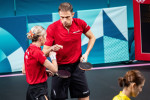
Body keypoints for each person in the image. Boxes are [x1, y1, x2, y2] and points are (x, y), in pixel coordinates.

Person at [43, 2, 96, 100]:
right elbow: (44, 52)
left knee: (84, 96)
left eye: (67, 17)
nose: (64, 20)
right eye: (62, 17)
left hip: (77, 66)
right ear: (59, 15)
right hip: (59, 68)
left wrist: (86, 53)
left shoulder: (80, 23)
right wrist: (52, 48)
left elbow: (92, 37)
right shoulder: (52, 28)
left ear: (72, 14)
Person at [22, 26, 62, 100]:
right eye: (45, 37)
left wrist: (44, 72)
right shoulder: (38, 53)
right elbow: (55, 70)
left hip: (31, 90)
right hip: (39, 90)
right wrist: (53, 56)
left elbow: (24, 71)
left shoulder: (28, 50)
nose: (46, 39)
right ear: (41, 38)